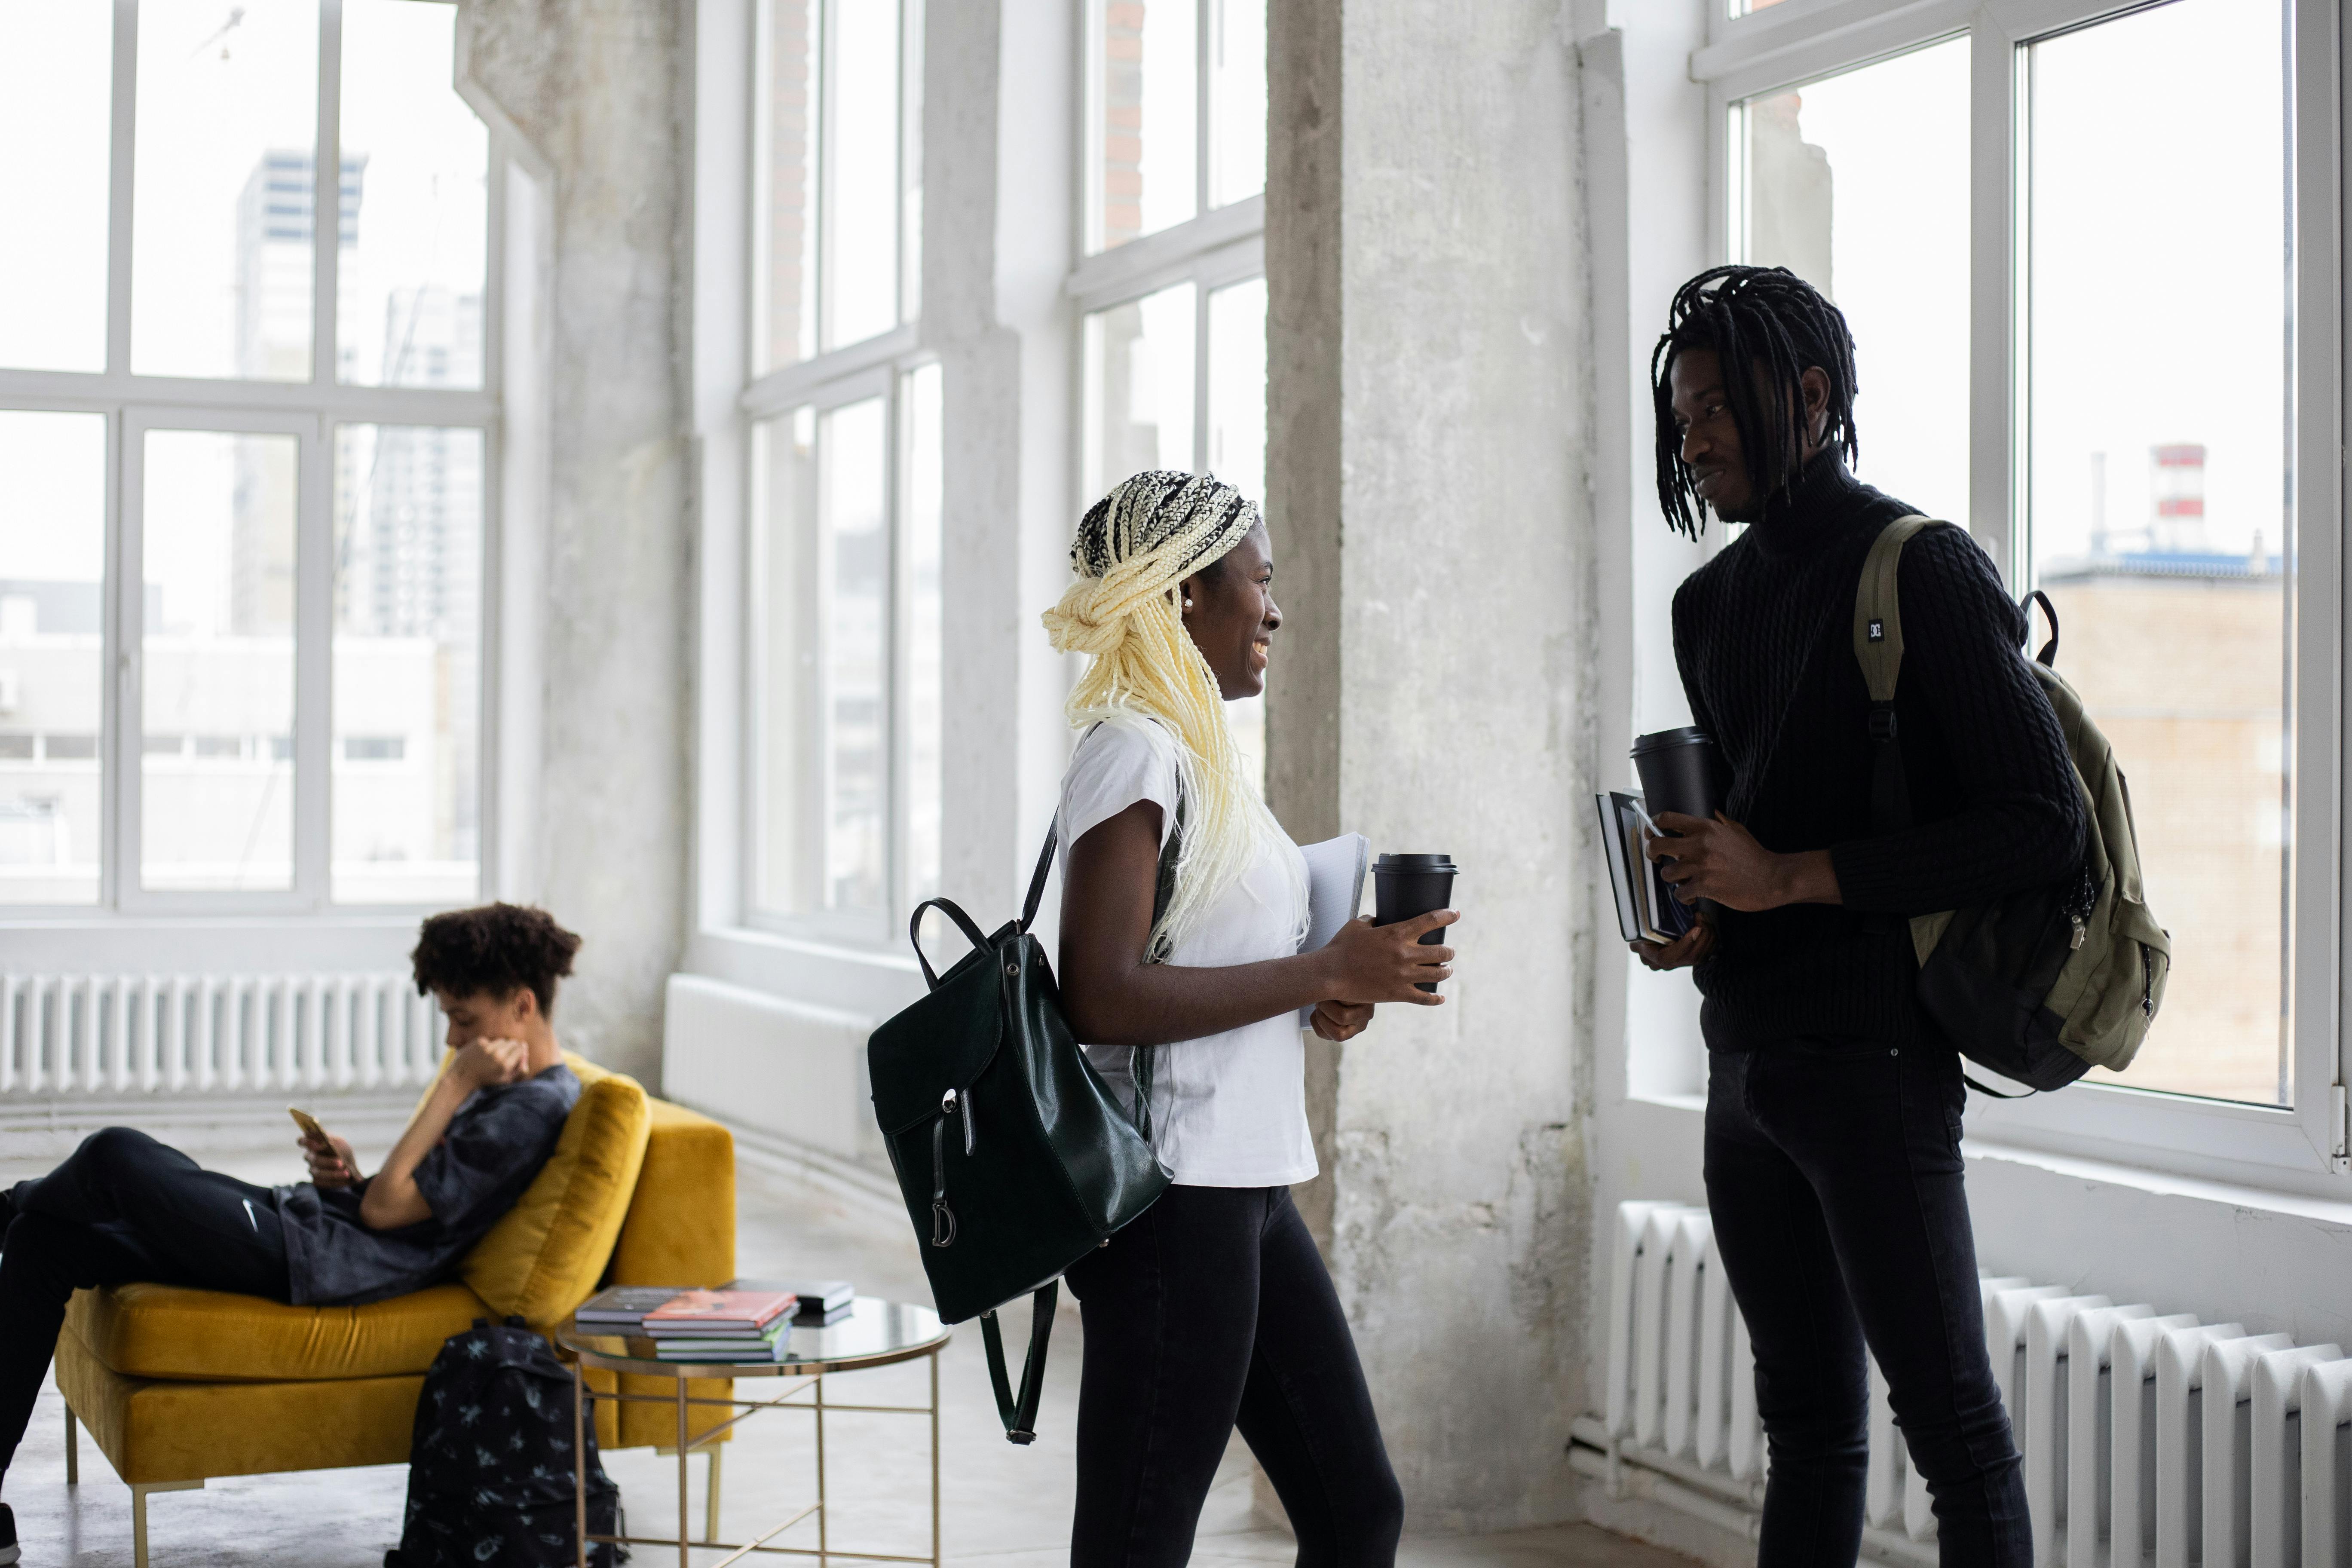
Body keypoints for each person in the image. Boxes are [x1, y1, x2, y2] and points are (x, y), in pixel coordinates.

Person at [1635, 265, 2083, 1567]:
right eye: (1684, 414)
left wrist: (1791, 876)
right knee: (1810, 1431)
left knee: (1952, 1431)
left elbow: (2036, 823)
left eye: (1719, 405)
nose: (1696, 434)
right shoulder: (1706, 606)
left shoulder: (1924, 566)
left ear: (1812, 396)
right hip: (1748, 1069)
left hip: (1877, 1069)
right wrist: (1706, 907)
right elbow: (1749, 822)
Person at [1041, 471, 1451, 1567]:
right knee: (1138, 1539)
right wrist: (1319, 972)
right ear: (1183, 597)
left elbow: (1214, 966)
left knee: (1358, 1512)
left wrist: (1328, 993)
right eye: (1258, 582)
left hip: (1246, 1191)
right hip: (1174, 1205)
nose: (1273, 609)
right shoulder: (1133, 747)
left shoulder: (1199, 754)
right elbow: (1102, 993)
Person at [0, 903, 590, 1563]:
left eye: (463, 1019)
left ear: (523, 1006)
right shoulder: (504, 1087)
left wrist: (452, 1089)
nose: (453, 1041)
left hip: (317, 1260)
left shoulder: (531, 1106)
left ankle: (5, 1203)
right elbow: (409, 1203)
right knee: (40, 1244)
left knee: (115, 1155)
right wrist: (352, 1179)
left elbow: (387, 1215)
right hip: (314, 1225)